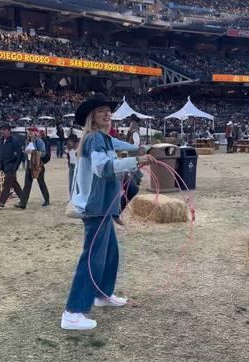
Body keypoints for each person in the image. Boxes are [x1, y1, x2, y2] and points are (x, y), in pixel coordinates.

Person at [61, 93, 154, 330]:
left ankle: (102, 295)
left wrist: (136, 150)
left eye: (108, 110)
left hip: (103, 207)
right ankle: (73, 311)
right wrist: (137, 160)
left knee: (110, 253)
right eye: (102, 110)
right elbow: (103, 168)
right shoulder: (94, 139)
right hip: (96, 207)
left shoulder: (103, 139)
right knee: (92, 258)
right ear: (93, 117)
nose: (107, 113)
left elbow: (119, 146)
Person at [14, 128, 50, 209]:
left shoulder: (39, 141)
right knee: (27, 184)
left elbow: (43, 153)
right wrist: (26, 152)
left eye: (31, 132)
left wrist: (34, 152)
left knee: (41, 182)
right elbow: (27, 153)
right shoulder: (27, 141)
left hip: (38, 165)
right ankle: (22, 203)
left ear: (35, 133)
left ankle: (47, 200)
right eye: (28, 132)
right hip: (30, 165)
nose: (29, 133)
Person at [0, 124, 23, 209]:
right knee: (14, 184)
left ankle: (1, 203)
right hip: (4, 167)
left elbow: (20, 156)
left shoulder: (15, 141)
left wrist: (15, 167)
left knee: (7, 184)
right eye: (1, 131)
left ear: (9, 131)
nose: (2, 133)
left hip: (12, 167)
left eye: (4, 131)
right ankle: (24, 198)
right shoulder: (0, 141)